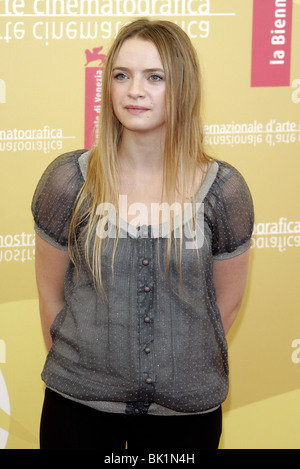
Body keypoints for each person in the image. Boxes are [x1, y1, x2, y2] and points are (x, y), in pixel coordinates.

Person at [32, 18, 254, 451]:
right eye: (121, 75)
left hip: (186, 418)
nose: (134, 90)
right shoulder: (68, 181)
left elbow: (224, 305)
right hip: (77, 411)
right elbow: (50, 295)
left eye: (155, 77)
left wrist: (177, 366)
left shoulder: (224, 190)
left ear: (183, 87)